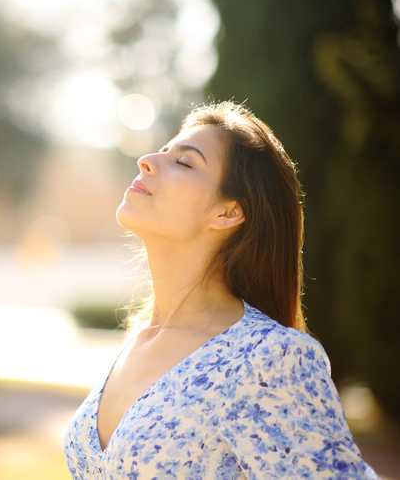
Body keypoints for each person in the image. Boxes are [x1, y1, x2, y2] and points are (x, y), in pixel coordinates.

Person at [63, 101, 380, 479]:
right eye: (163, 150)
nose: (146, 160)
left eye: (184, 162)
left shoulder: (267, 359)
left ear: (227, 212)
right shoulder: (138, 335)